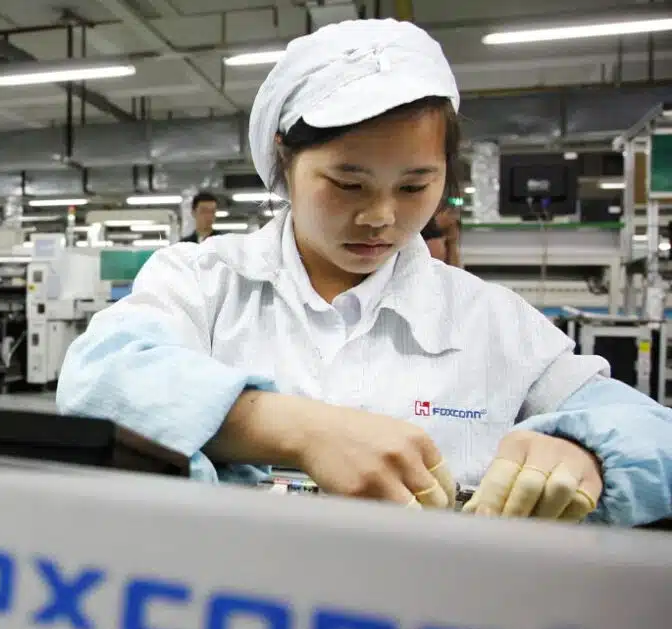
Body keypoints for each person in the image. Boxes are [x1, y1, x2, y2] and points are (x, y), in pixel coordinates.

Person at [56, 19, 672, 526]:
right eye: (348, 183)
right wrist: (299, 431)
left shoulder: (492, 322)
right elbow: (100, 381)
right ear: (284, 158)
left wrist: (583, 453)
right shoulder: (204, 281)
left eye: (414, 186)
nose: (381, 216)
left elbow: (651, 433)